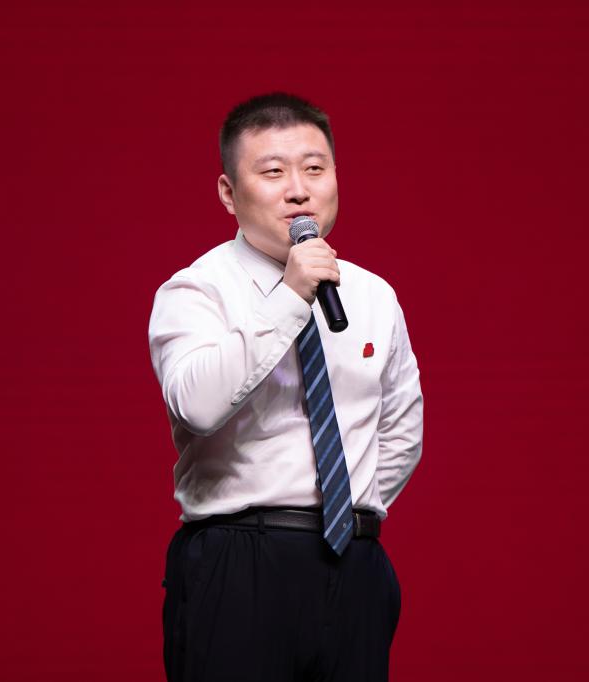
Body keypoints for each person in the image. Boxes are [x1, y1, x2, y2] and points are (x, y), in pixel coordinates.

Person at [148, 92, 423, 682]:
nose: (299, 190)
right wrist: (291, 297)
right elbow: (197, 406)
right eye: (273, 172)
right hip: (239, 562)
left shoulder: (373, 295)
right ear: (229, 193)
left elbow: (401, 433)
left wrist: (348, 518)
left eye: (314, 169)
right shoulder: (197, 290)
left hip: (354, 566)